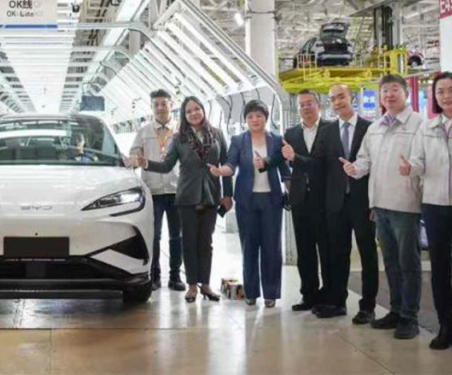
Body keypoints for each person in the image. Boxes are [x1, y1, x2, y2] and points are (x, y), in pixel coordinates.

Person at [399, 72, 452, 352]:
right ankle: (445, 326)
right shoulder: (428, 127)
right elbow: (419, 160)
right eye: (440, 92)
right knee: (439, 267)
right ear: (434, 97)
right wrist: (411, 168)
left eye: (451, 90)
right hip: (434, 203)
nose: (446, 96)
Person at [342, 74, 424, 340]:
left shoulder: (419, 124)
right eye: (385, 90)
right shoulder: (376, 127)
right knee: (390, 262)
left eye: (395, 90)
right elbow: (365, 159)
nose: (389, 95)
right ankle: (396, 310)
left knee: (408, 262)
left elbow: (424, 160)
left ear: (406, 93)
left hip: (405, 203)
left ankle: (410, 317)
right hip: (380, 204)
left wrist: (414, 168)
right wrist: (355, 169)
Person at [136, 96, 233, 302]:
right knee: (188, 242)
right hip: (187, 196)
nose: (194, 113)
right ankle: (192, 286)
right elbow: (166, 166)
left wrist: (228, 194)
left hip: (211, 194)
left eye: (197, 109)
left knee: (206, 243)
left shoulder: (217, 134)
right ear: (184, 115)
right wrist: (146, 164)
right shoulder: (178, 138)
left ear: (203, 110)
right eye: (189, 111)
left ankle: (206, 285)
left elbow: (226, 165)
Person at [211, 100, 290, 307]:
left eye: (259, 116)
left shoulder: (277, 140)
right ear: (245, 120)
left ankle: (271, 293)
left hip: (272, 201)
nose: (255, 120)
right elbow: (231, 165)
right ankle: (251, 292)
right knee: (249, 247)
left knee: (272, 248)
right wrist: (221, 171)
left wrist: (293, 191)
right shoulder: (239, 140)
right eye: (250, 117)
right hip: (247, 201)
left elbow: (284, 170)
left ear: (266, 118)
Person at [320, 84, 376, 324]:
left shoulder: (370, 128)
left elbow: (375, 167)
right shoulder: (327, 132)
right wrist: (294, 159)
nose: (337, 102)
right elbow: (319, 165)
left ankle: (368, 306)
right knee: (338, 253)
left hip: (363, 202)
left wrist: (376, 202)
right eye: (333, 99)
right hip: (336, 203)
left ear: (351, 97)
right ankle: (338, 302)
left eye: (341, 97)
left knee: (367, 253)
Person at [128, 89, 185, 292]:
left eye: (164, 103)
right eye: (156, 105)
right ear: (152, 107)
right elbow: (134, 156)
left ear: (171, 105)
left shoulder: (181, 131)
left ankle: (175, 277)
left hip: (177, 190)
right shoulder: (143, 132)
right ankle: (154, 276)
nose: (160, 108)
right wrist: (133, 161)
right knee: (154, 236)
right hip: (153, 192)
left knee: (177, 237)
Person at [280, 90, 330, 313]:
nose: (306, 108)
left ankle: (328, 295)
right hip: (300, 199)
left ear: (319, 105)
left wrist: (295, 158)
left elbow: (322, 164)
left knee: (327, 249)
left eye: (310, 103)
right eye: (301, 105)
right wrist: (265, 164)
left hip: (324, 199)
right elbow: (281, 159)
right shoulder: (290, 134)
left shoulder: (331, 129)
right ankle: (308, 294)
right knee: (305, 250)